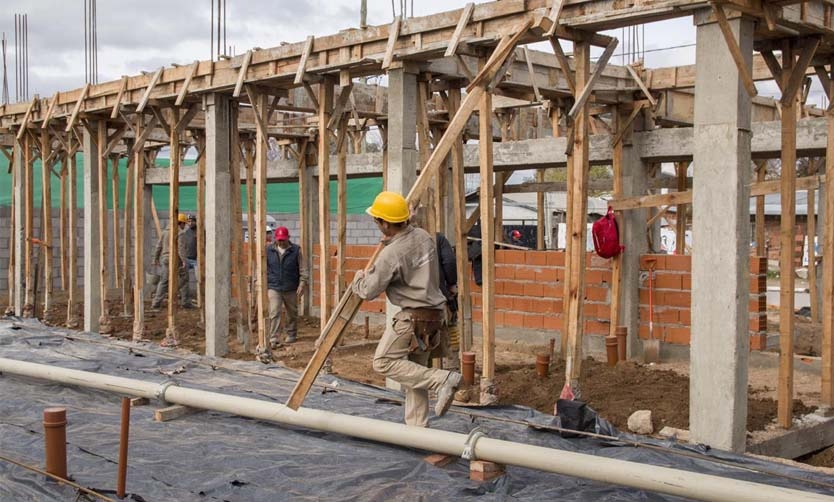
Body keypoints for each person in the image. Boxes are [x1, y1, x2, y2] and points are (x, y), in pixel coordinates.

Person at [352, 191, 462, 427]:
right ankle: (417, 428)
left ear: (385, 223)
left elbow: (368, 291)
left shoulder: (390, 254)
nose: (376, 224)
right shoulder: (423, 237)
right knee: (415, 375)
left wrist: (358, 278)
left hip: (412, 319)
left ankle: (442, 379)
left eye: (377, 221)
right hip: (434, 317)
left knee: (382, 362)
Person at [266, 226, 308, 346]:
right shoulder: (269, 250)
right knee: (274, 312)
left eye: (283, 240)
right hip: (274, 286)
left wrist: (302, 283)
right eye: (279, 240)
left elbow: (303, 268)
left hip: (291, 287)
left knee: (292, 312)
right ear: (276, 239)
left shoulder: (295, 250)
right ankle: (274, 337)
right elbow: (263, 268)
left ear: (288, 238)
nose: (281, 242)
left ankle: (291, 333)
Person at [151, 213, 189, 310]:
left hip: (165, 259)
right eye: (184, 224)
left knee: (163, 281)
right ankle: (177, 294)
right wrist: (184, 260)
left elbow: (159, 246)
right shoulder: (180, 233)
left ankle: (156, 303)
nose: (184, 226)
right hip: (175, 259)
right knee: (184, 277)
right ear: (181, 223)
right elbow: (181, 248)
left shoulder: (165, 232)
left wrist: (155, 258)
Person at [435, 233, 459, 370]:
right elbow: (449, 261)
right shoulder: (437, 238)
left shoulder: (400, 239)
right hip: (440, 297)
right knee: (450, 332)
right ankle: (452, 370)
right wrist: (451, 283)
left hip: (413, 304)